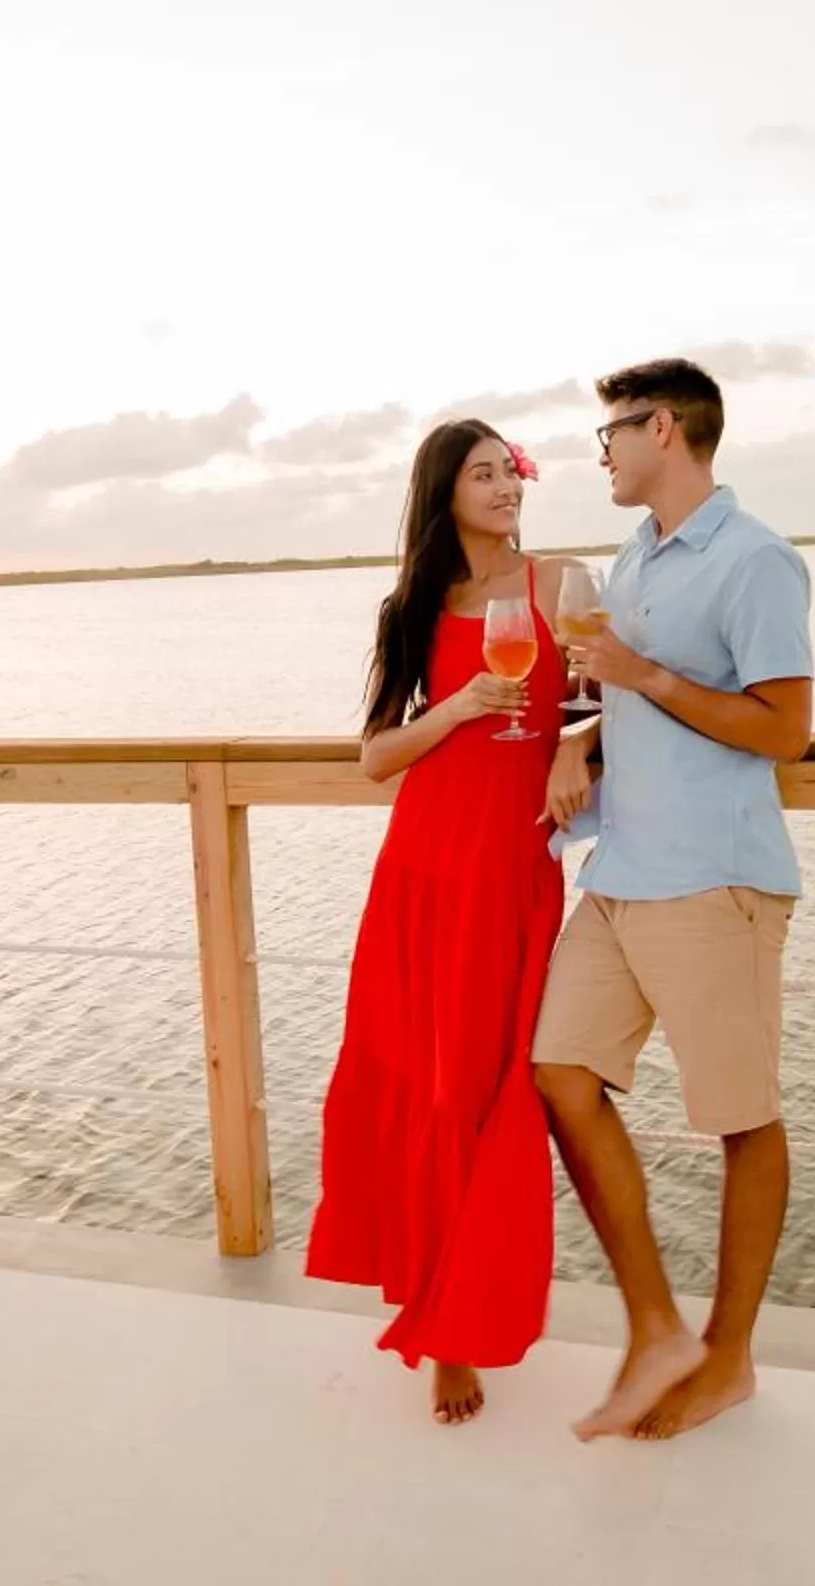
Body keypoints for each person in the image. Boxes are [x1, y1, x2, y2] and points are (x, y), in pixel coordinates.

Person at [536, 357, 815, 1442]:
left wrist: (639, 680)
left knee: (743, 1116)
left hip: (715, 879)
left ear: (663, 427)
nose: (599, 450)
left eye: (610, 431)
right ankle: (656, 1323)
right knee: (559, 1072)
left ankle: (729, 1356)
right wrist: (585, 727)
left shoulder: (757, 560)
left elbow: (785, 728)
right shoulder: (634, 554)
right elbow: (632, 677)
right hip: (621, 872)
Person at [306, 418, 568, 1425]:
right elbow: (377, 755)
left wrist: (572, 750)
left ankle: (472, 1302)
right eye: (484, 472)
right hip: (425, 868)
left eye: (513, 469)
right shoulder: (413, 606)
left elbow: (594, 699)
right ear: (444, 491)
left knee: (503, 1084)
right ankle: (443, 1325)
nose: (506, 486)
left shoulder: (561, 584)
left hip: (514, 869)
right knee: (431, 1082)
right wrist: (456, 707)